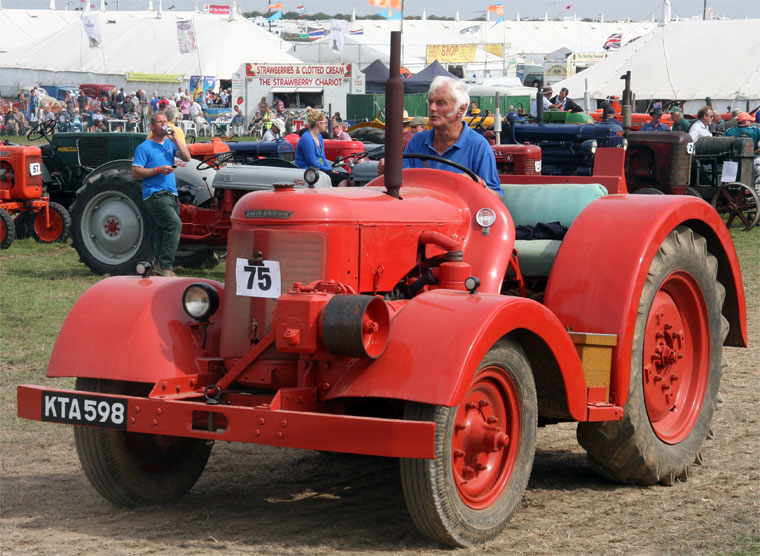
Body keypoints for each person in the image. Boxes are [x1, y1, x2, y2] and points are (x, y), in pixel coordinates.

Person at [378, 76, 502, 197]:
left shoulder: (478, 145)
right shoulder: (417, 141)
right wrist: (388, 173)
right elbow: (403, 184)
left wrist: (477, 184)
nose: (432, 108)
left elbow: (496, 197)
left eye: (440, 103)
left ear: (461, 109)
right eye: (430, 102)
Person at [131, 112, 191, 277]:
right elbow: (136, 172)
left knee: (163, 229)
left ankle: (158, 265)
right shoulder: (144, 147)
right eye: (160, 122)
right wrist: (158, 170)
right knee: (174, 224)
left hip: (171, 193)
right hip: (155, 193)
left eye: (166, 121)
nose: (164, 124)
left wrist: (175, 139)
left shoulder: (169, 143)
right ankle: (165, 266)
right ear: (152, 126)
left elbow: (187, 157)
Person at [295, 108, 347, 187]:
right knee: (341, 178)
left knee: (347, 176)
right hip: (309, 172)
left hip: (318, 169)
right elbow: (312, 162)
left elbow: (322, 158)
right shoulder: (307, 138)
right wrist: (329, 170)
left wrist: (330, 169)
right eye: (325, 122)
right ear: (319, 124)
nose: (326, 125)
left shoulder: (319, 136)